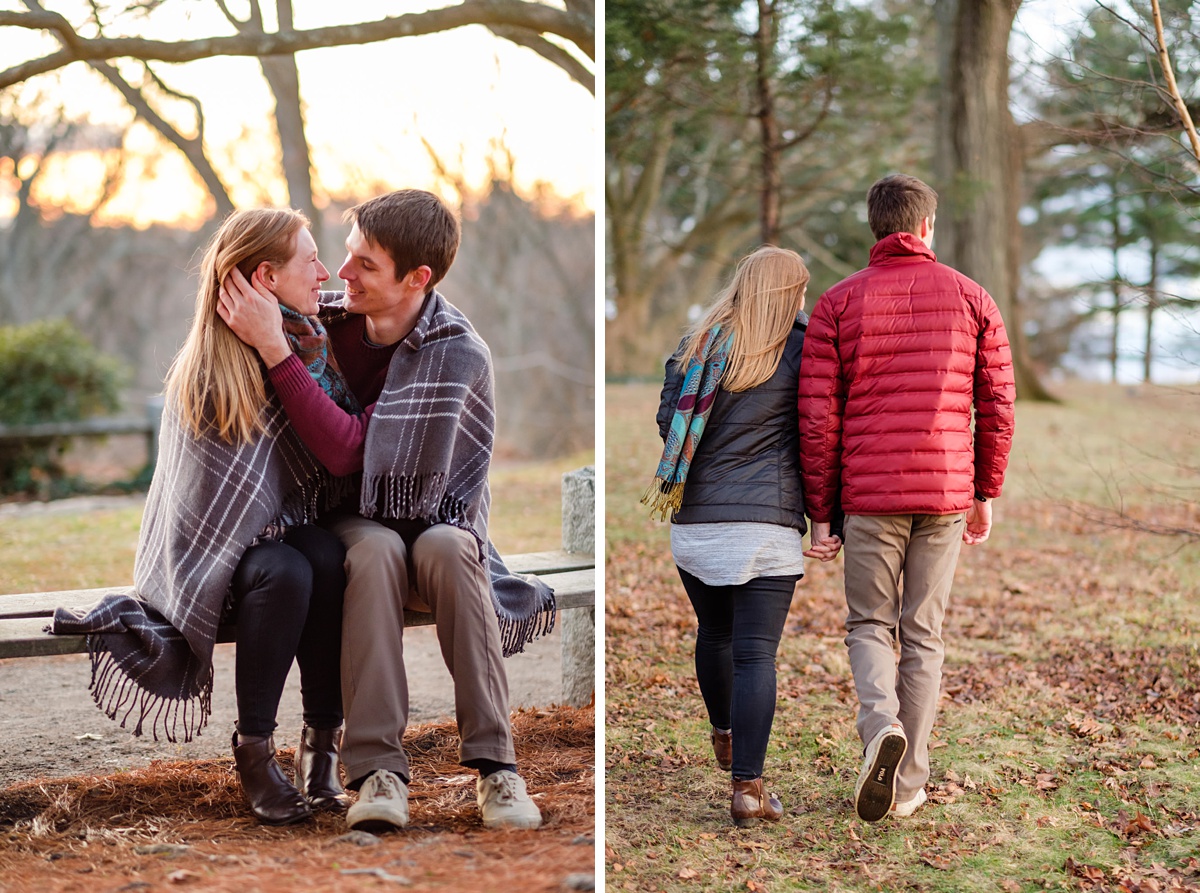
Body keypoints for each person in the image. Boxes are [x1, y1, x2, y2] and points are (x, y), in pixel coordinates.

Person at [217, 188, 556, 833]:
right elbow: (339, 470)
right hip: (350, 518)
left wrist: (277, 355)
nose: (343, 276)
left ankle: (496, 767)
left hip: (435, 517)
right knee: (373, 550)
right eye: (346, 257)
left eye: (365, 265)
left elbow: (351, 451)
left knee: (450, 549)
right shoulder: (326, 327)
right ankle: (377, 771)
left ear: (417, 278)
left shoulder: (456, 351)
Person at [54, 208, 355, 826]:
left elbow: (341, 451)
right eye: (310, 259)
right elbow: (203, 511)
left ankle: (323, 745)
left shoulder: (313, 344)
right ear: (266, 278)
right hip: (208, 567)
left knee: (324, 556)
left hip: (283, 543)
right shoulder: (211, 371)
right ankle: (254, 751)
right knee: (287, 570)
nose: (324, 272)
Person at [798, 174, 1015, 822]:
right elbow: (997, 404)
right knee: (923, 632)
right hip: (946, 491)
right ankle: (911, 782)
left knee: (869, 623)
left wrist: (821, 510)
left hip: (869, 495)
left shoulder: (837, 305)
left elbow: (818, 418)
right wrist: (985, 490)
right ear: (925, 228)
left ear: (876, 228)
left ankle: (880, 728)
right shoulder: (974, 299)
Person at [644, 246, 811, 827]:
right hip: (766, 524)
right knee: (755, 653)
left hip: (696, 523)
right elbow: (816, 431)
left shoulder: (697, 347)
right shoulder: (800, 351)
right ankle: (748, 789)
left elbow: (670, 424)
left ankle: (723, 733)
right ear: (791, 294)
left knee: (713, 631)